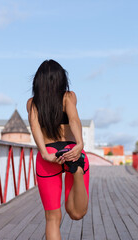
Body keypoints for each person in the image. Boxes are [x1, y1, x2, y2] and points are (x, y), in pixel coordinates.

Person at [26, 60, 89, 240]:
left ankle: (75, 170)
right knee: (77, 213)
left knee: (52, 218)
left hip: (50, 156)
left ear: (38, 81)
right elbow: (74, 120)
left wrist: (45, 154)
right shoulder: (69, 97)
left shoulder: (32, 103)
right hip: (72, 150)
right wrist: (80, 144)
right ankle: (76, 171)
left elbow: (34, 128)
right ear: (61, 79)